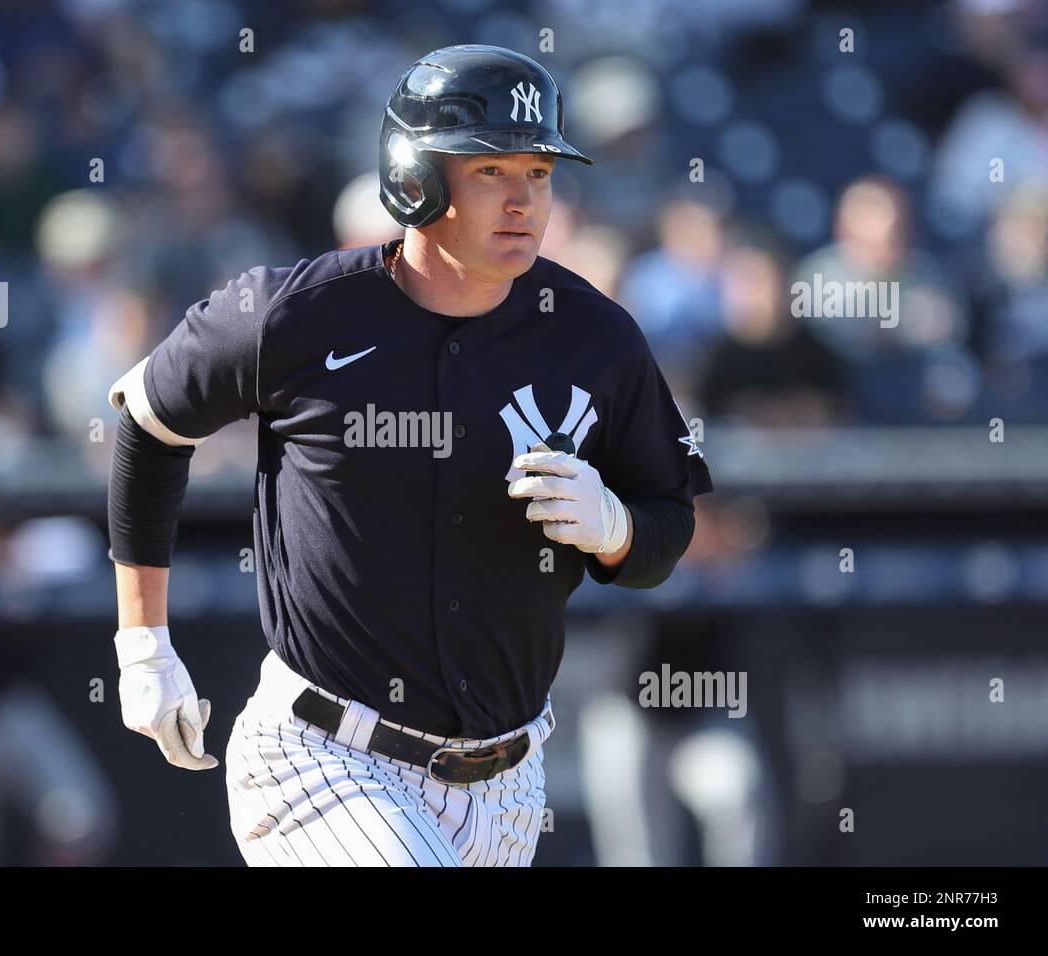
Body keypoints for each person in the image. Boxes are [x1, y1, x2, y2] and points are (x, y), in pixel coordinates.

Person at [105, 44, 713, 867]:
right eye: (490, 170)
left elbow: (668, 523)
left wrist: (615, 531)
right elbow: (148, 419)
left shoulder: (594, 337)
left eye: (538, 172)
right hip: (326, 758)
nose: (522, 199)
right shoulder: (296, 314)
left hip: (507, 785)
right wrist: (143, 642)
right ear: (415, 177)